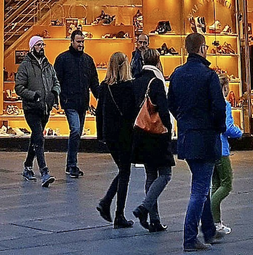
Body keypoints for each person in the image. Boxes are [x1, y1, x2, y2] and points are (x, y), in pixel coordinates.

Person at [168, 33, 228, 251]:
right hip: (205, 137)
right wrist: (218, 127)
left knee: (200, 184)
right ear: (202, 48)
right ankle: (190, 237)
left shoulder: (177, 74)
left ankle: (209, 230)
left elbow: (171, 103)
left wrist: (183, 119)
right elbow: (219, 107)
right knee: (200, 190)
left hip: (186, 136)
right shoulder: (209, 75)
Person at [131, 48, 174, 233]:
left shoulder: (136, 81)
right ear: (158, 62)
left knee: (150, 175)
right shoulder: (156, 82)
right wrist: (169, 129)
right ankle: (144, 207)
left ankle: (155, 220)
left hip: (141, 132)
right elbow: (163, 110)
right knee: (165, 174)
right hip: (157, 134)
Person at [95, 51, 137, 228]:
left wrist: (101, 135)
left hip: (110, 135)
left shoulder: (104, 87)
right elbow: (131, 112)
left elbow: (99, 112)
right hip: (125, 135)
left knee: (123, 170)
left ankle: (107, 202)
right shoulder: (129, 86)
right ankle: (118, 213)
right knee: (125, 172)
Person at [54, 29, 99, 178]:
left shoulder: (88, 60)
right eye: (78, 42)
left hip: (82, 103)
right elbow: (56, 81)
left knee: (77, 132)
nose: (81, 44)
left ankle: (71, 164)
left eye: (82, 42)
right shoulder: (63, 59)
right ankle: (71, 164)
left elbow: (94, 81)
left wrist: (100, 96)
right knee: (75, 130)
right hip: (69, 102)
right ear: (72, 41)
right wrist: (56, 99)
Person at [14, 35, 59, 187]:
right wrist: (33, 95)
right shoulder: (25, 66)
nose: (41, 47)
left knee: (36, 138)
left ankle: (27, 166)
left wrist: (54, 93)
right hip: (31, 108)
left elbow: (56, 81)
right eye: (38, 45)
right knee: (39, 137)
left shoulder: (48, 65)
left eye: (42, 45)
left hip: (45, 108)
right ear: (32, 47)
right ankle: (44, 171)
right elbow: (19, 87)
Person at [211, 93, 243, 234]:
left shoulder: (206, 102)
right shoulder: (224, 105)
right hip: (221, 149)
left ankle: (216, 222)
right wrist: (239, 132)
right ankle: (211, 219)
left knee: (216, 184)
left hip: (210, 148)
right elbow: (227, 127)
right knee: (226, 184)